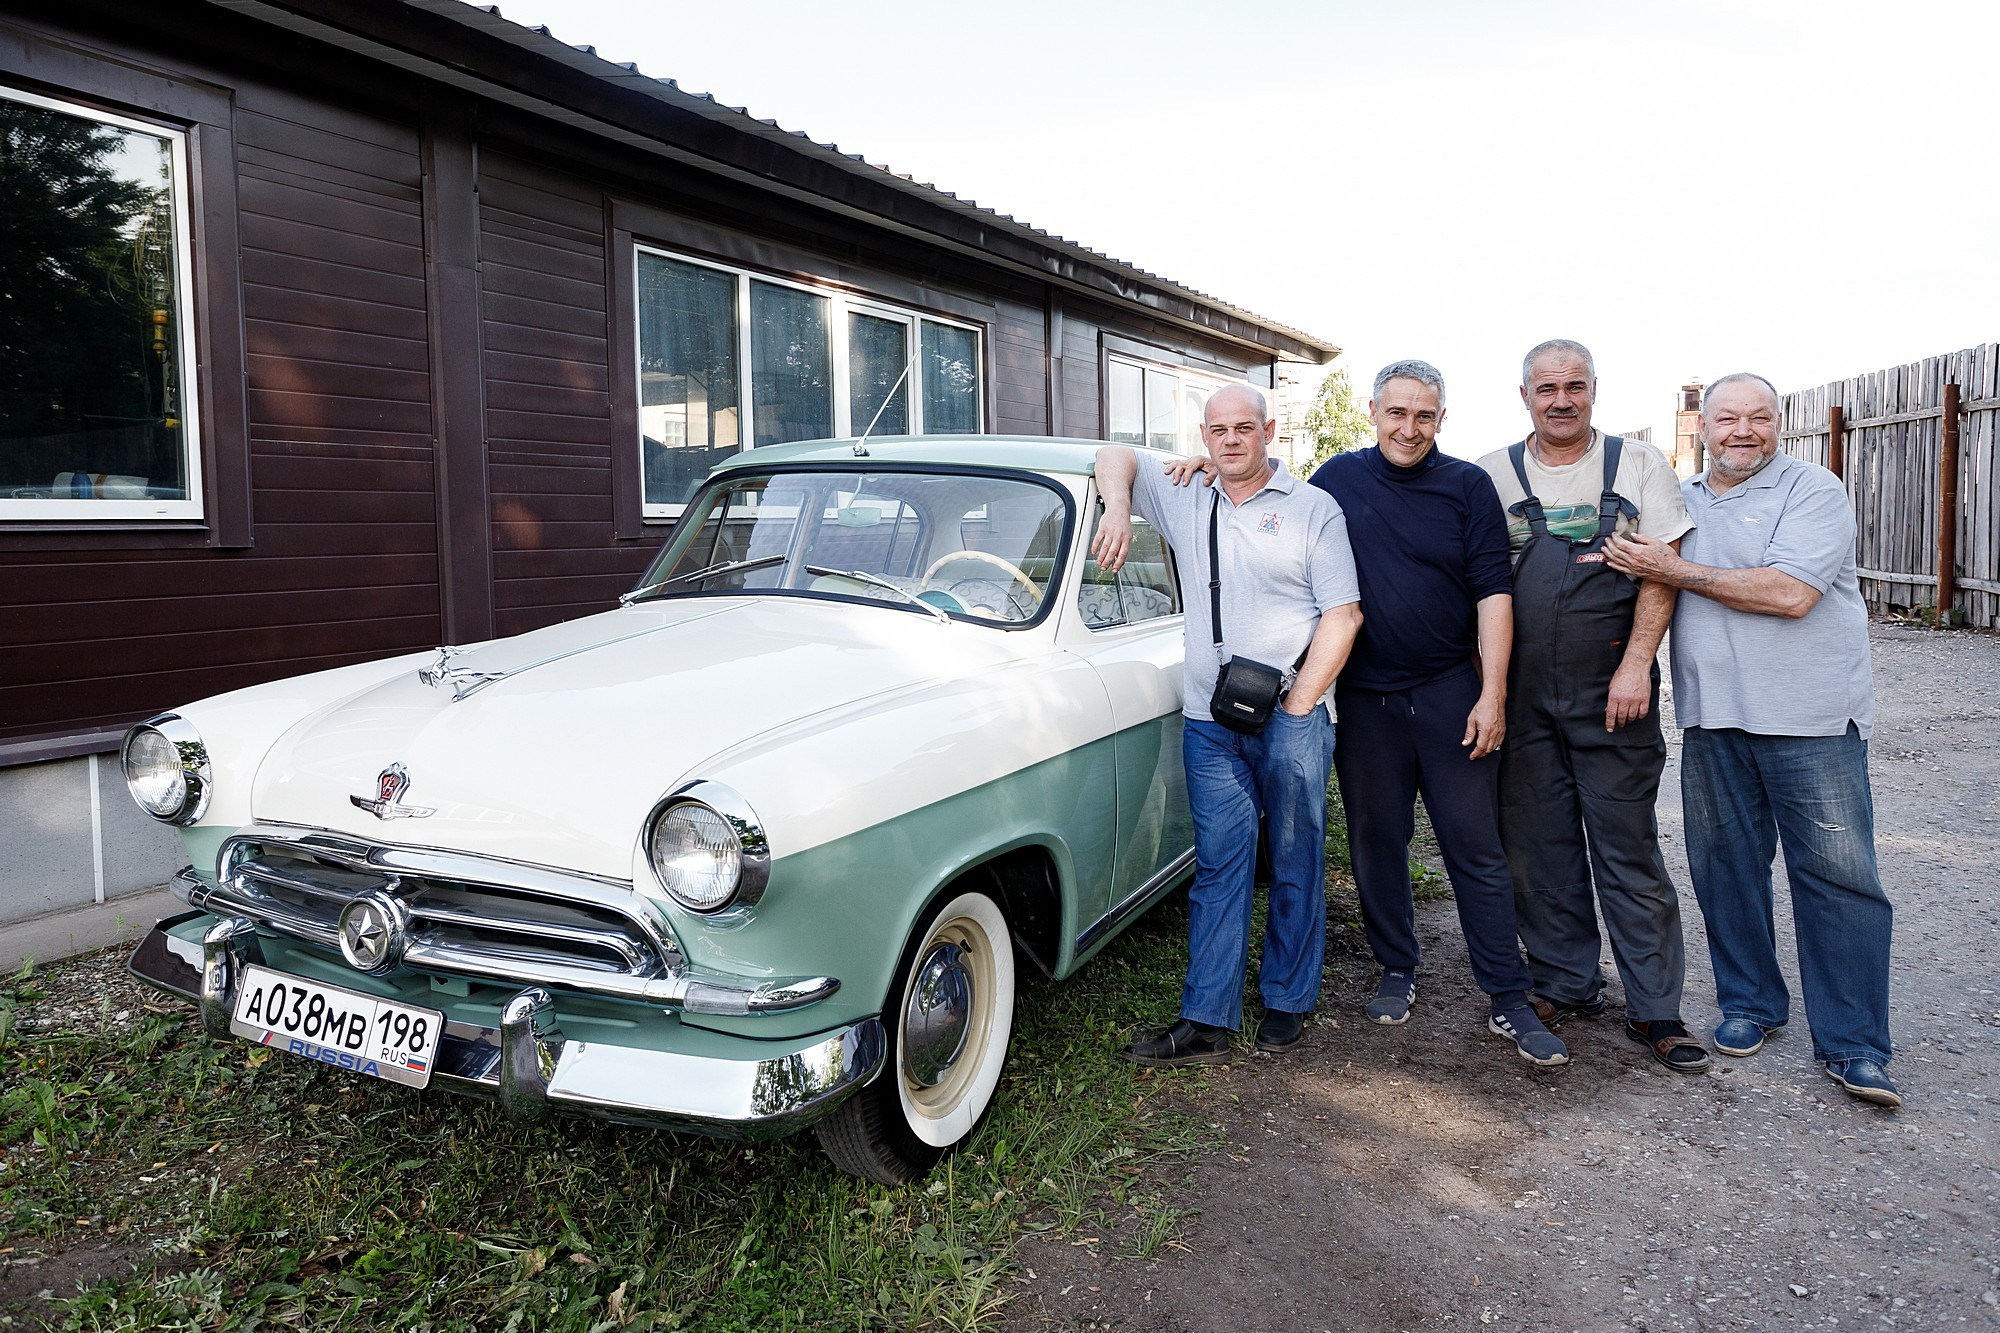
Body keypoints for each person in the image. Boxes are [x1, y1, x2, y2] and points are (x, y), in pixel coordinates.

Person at [1604, 373, 1899, 1108]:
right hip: (1715, 718)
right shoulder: (1681, 500)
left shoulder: (1813, 490)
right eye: (1727, 418)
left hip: (1811, 721)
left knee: (1838, 881)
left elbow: (1790, 593)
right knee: (1726, 868)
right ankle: (1751, 1004)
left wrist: (1669, 567)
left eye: (1758, 418)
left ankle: (1855, 1044)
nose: (1743, 430)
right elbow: (1641, 583)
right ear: (1701, 426)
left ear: (1779, 423)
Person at [1094, 384, 1363, 1065]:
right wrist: (1121, 509)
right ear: (1205, 435)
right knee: (1219, 863)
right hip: (1209, 722)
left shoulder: (1313, 510)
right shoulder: (1186, 491)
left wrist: (1301, 701)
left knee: (1297, 859)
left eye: (1245, 427)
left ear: (1269, 430)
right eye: (1218, 430)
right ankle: (1206, 1017)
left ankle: (1286, 999)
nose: (1231, 440)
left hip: (1292, 717)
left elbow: (1344, 614)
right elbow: (1112, 453)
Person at [1307, 360, 1567, 1064]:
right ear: (1373, 412)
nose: (1409, 427)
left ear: (1441, 419)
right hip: (1367, 702)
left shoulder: (1467, 486)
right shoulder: (1335, 480)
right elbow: (1278, 526)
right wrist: (1203, 467)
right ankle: (1398, 965)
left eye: (1424, 415)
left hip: (1452, 690)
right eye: (1397, 412)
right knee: (1376, 840)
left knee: (1474, 847)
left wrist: (1493, 694)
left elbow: (1493, 594)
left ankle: (1508, 995)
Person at [1475, 340, 1709, 1073]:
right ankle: (1565, 981)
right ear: (1525, 396)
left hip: (1616, 692)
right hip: (1524, 694)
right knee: (1537, 847)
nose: (1561, 400)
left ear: (1595, 390)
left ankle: (1655, 1008)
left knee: (1627, 847)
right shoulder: (1491, 475)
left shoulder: (1638, 466)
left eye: (1575, 386)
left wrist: (1639, 663)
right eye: (1547, 388)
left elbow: (1662, 572)